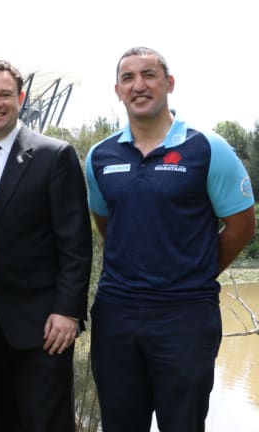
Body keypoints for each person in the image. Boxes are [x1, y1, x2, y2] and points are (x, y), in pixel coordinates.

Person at [85, 46, 256, 432]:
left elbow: (242, 225)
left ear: (169, 83)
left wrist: (197, 271)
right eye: (128, 78)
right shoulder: (99, 156)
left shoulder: (207, 148)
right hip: (117, 311)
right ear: (117, 90)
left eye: (149, 75)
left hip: (186, 314)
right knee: (120, 422)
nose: (138, 85)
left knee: (183, 422)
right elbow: (108, 223)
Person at [0, 59, 93, 431]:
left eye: (4, 94)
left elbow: (75, 241)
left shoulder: (53, 156)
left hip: (42, 326)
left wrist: (68, 311)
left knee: (47, 423)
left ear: (21, 97)